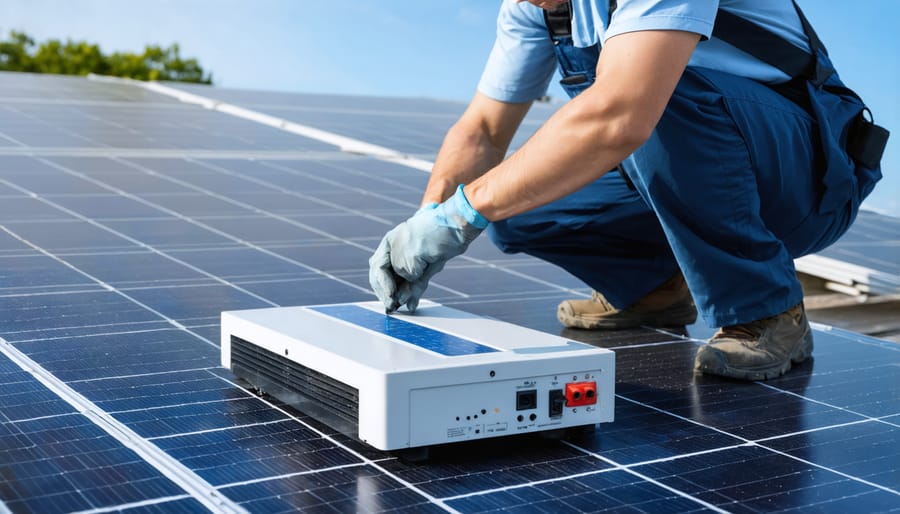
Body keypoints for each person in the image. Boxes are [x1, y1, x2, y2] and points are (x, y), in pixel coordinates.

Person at [368, 0, 883, 381]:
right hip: (697, 166)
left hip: (808, 181)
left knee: (647, 89)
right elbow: (482, 129)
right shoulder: (536, 9)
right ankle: (652, 291)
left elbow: (622, 113)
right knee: (512, 202)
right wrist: (428, 226)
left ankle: (767, 310)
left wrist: (461, 213)